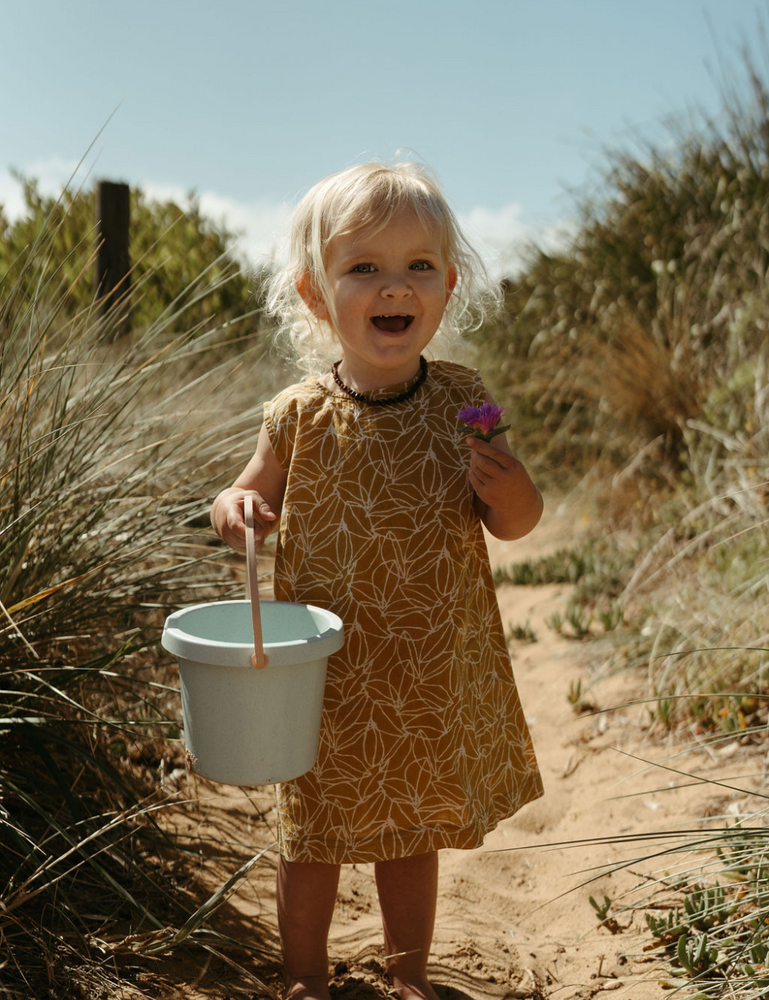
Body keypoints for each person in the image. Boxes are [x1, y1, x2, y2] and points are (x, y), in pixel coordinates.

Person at [210, 161, 544, 1000]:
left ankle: (409, 977)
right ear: (317, 295)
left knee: (409, 831)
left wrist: (510, 494)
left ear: (447, 285)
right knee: (310, 830)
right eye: (363, 267)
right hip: (322, 671)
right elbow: (248, 493)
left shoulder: (463, 399)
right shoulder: (296, 415)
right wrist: (237, 509)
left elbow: (513, 520)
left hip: (423, 672)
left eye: (417, 266)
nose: (393, 285)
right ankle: (305, 976)